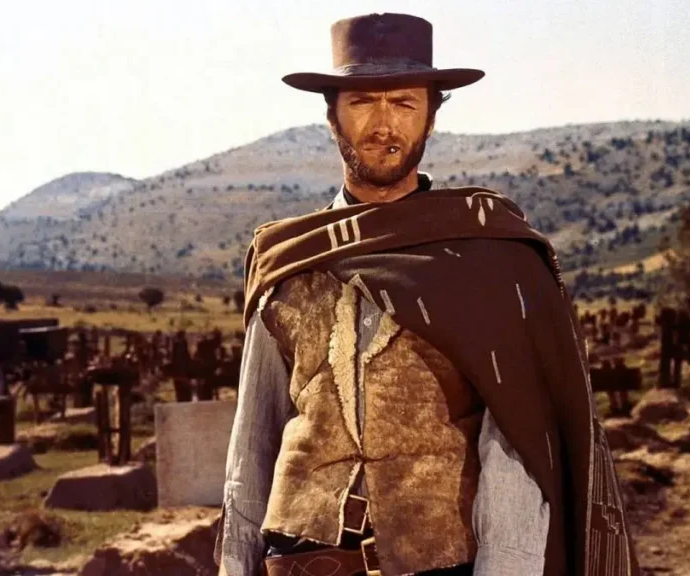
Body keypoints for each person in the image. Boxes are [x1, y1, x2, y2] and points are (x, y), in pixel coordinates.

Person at [215, 13, 639, 576]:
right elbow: (254, 438)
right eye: (363, 102)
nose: (384, 124)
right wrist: (234, 565)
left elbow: (515, 446)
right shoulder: (287, 257)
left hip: (440, 561)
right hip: (298, 559)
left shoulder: (488, 257)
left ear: (432, 117)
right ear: (332, 115)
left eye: (405, 103)